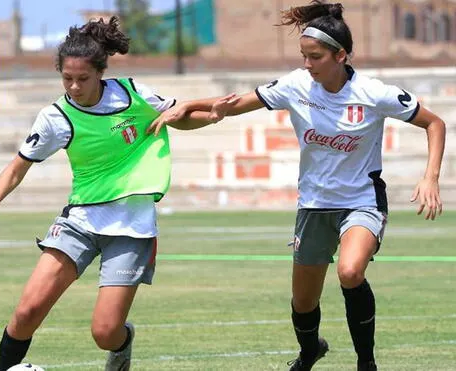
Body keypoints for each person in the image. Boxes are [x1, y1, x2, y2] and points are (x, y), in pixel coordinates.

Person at [147, 1, 446, 370]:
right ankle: (310, 352)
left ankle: (366, 362)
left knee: (351, 272)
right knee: (303, 302)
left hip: (361, 202)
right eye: (303, 56)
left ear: (341, 55)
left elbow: (435, 123)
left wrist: (430, 176)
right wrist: (190, 105)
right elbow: (236, 102)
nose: (307, 64)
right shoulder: (296, 85)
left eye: (315, 57)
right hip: (313, 206)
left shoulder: (375, 93)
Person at [0, 16, 235, 371]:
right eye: (67, 79)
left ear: (100, 72)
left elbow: (179, 116)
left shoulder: (132, 93)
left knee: (105, 332)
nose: (75, 87)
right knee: (27, 310)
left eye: (83, 79)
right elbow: (18, 166)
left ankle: (122, 343)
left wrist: (212, 116)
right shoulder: (55, 116)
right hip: (80, 220)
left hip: (133, 227)